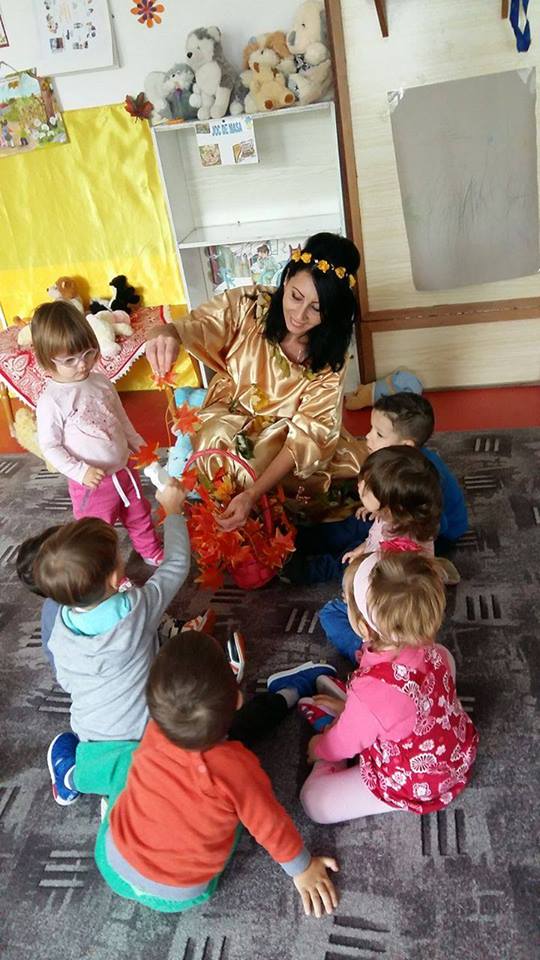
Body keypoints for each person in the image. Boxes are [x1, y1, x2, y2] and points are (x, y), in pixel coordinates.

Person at [74, 631, 340, 916]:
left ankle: (78, 772)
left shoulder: (153, 730)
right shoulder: (239, 768)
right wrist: (302, 869)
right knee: (238, 812)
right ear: (237, 700)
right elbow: (270, 826)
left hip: (111, 863)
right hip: (181, 894)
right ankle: (285, 695)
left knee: (130, 760)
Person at [145, 232, 366, 532]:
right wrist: (165, 333)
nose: (299, 315)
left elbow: (309, 433)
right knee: (214, 441)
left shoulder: (331, 356)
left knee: (269, 476)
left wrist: (252, 494)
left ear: (333, 311)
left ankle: (251, 506)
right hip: (230, 415)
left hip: (285, 437)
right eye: (295, 297)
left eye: (316, 308)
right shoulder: (250, 305)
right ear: (286, 280)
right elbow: (195, 325)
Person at [32, 480, 190, 805]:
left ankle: (73, 776)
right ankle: (124, 798)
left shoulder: (60, 626)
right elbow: (176, 565)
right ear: (116, 578)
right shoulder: (135, 610)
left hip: (92, 740)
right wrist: (173, 512)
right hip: (148, 735)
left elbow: (65, 680)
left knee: (105, 771)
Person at [299, 550, 479, 824]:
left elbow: (341, 744)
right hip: (456, 754)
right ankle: (356, 715)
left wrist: (320, 748)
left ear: (363, 627)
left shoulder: (373, 692)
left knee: (314, 802)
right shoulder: (431, 650)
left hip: (418, 782)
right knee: (443, 655)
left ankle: (346, 727)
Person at [33, 301, 163, 566]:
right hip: (92, 484)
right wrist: (80, 472)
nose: (82, 364)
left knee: (139, 514)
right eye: (70, 360)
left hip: (125, 470)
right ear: (47, 361)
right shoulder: (51, 400)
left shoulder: (102, 382)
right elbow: (50, 447)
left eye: (88, 353)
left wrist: (141, 449)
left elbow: (121, 421)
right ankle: (105, 572)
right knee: (96, 536)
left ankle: (150, 550)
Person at [288, 392, 468, 584]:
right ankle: (303, 540)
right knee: (357, 523)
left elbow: (434, 524)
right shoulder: (393, 460)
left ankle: (309, 571)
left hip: (430, 532)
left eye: (379, 434)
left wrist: (386, 519)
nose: (368, 436)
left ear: (407, 445)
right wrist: (380, 507)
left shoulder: (422, 476)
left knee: (366, 556)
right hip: (396, 513)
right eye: (371, 429)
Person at [318, 445, 443, 662]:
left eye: (368, 487)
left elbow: (382, 587)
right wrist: (363, 547)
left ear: (389, 507)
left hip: (384, 606)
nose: (359, 484)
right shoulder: (405, 520)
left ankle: (367, 652)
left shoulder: (393, 553)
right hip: (403, 604)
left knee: (330, 614)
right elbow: (375, 537)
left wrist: (353, 594)